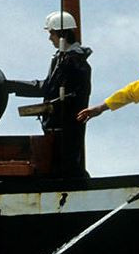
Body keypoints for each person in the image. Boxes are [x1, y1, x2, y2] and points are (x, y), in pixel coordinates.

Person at [8, 10, 92, 177]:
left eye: (51, 33)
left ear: (61, 35)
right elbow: (49, 86)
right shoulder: (62, 59)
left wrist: (53, 106)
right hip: (57, 127)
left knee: (66, 169)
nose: (49, 38)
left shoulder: (75, 62)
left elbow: (58, 92)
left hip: (66, 129)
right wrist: (14, 86)